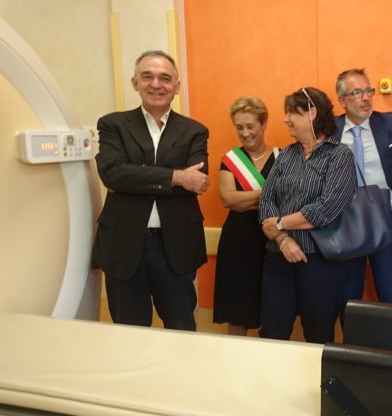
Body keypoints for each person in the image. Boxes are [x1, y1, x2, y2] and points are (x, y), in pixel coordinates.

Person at [92, 50, 209, 331]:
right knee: (129, 332)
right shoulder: (113, 125)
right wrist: (177, 177)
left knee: (181, 329)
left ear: (177, 86)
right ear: (135, 83)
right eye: (148, 77)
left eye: (165, 78)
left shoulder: (195, 131)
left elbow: (197, 182)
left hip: (176, 246)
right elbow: (112, 174)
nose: (156, 84)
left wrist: (134, 177)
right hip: (124, 244)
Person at [259, 87, 356, 344]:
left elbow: (326, 209)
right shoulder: (286, 155)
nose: (285, 119)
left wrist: (280, 224)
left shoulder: (340, 155)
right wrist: (282, 240)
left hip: (320, 261)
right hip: (278, 257)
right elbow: (266, 199)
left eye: (292, 112)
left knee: (318, 334)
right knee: (272, 333)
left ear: (312, 112)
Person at [335, 68, 392, 305]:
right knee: (348, 294)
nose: (366, 97)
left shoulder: (390, 123)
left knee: (390, 292)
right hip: (344, 222)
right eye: (357, 92)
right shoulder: (329, 129)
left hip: (383, 218)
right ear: (342, 100)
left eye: (369, 91)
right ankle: (349, 331)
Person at [213, 97, 278, 336]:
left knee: (272, 304)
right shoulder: (230, 160)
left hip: (273, 239)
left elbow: (289, 200)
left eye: (250, 126)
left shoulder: (282, 157)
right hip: (237, 240)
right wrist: (268, 195)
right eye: (239, 127)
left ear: (263, 124)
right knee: (237, 305)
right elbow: (228, 199)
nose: (245, 133)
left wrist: (245, 200)